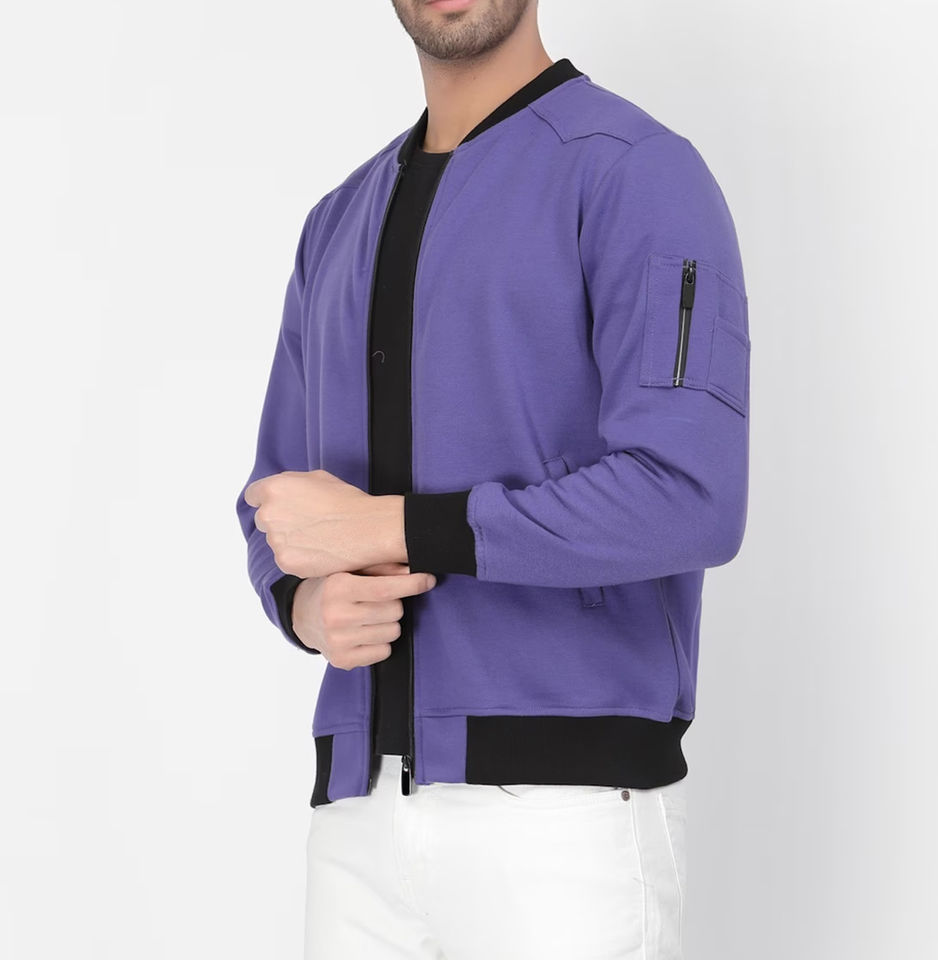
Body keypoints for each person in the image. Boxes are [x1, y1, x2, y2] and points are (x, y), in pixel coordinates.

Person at [236, 1, 751, 957]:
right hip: (357, 816)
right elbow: (280, 500)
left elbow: (690, 495)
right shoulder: (336, 221)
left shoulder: (636, 171)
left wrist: (395, 529)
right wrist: (304, 604)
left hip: (564, 821)